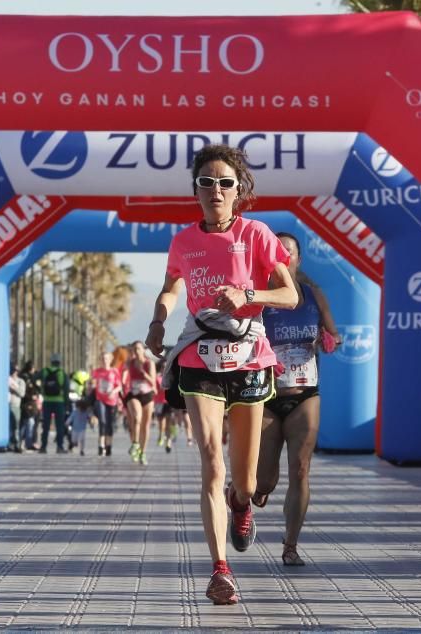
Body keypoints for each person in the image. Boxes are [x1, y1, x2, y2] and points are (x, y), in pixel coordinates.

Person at [146, 144, 298, 605]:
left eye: (225, 183)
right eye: (206, 182)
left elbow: (288, 295)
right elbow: (172, 287)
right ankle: (220, 570)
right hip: (199, 355)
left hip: (249, 353)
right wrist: (158, 320)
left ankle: (241, 503)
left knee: (245, 480)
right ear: (195, 190)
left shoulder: (256, 234)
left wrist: (248, 291)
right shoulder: (183, 240)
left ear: (239, 190)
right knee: (212, 462)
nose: (216, 190)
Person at [253, 232, 342, 567]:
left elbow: (333, 334)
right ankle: (256, 490)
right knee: (263, 479)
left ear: (297, 259)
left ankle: (290, 545)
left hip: (305, 393)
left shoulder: (312, 294)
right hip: (266, 396)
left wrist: (330, 340)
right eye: (277, 251)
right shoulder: (260, 299)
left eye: (288, 251)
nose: (283, 255)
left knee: (301, 469)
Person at [124, 341, 157, 465]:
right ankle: (135, 443)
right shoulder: (130, 362)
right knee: (136, 418)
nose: (136, 351)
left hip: (147, 394)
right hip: (134, 394)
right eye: (134, 349)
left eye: (138, 349)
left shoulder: (149, 363)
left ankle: (143, 452)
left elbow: (153, 382)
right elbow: (123, 372)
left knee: (145, 425)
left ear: (143, 350)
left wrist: (142, 372)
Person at [91, 351, 122, 456]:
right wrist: (92, 385)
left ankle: (109, 445)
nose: (104, 361)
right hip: (100, 399)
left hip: (111, 400)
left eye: (106, 358)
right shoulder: (97, 371)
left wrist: (113, 392)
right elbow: (93, 383)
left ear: (111, 360)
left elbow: (119, 386)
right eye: (103, 359)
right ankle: (101, 446)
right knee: (102, 422)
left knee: (110, 424)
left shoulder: (114, 371)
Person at [38, 353, 68, 454]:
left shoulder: (44, 371)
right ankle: (59, 447)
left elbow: (34, 378)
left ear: (51, 361)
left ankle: (43, 447)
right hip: (59, 402)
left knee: (45, 425)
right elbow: (66, 389)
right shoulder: (61, 373)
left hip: (47, 401)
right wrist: (66, 403)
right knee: (59, 426)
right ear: (59, 362)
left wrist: (39, 389)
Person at [19, 360, 40, 450]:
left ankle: (29, 442)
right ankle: (24, 442)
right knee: (27, 423)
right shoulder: (25, 377)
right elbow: (26, 391)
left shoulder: (33, 377)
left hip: (32, 403)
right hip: (27, 403)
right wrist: (32, 396)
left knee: (31, 423)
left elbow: (37, 388)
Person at [8, 362, 26, 453]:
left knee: (16, 426)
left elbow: (22, 393)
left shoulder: (21, 381)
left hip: (15, 405)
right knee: (8, 426)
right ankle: (8, 443)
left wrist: (14, 388)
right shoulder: (6, 379)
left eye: (15, 370)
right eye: (12, 370)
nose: (14, 372)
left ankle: (16, 444)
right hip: (6, 405)